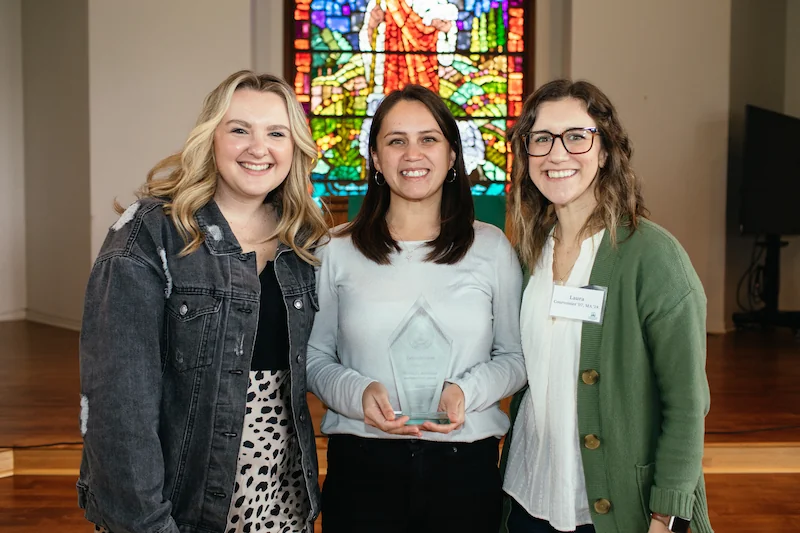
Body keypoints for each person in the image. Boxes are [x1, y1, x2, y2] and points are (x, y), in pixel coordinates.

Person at [77, 71, 329, 533]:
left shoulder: (303, 243)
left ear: (294, 148)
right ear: (209, 139)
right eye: (239, 130)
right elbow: (118, 407)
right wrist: (147, 522)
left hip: (280, 496)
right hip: (181, 500)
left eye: (276, 133)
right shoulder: (151, 233)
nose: (259, 148)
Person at [306, 84, 526, 533]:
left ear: (451, 157)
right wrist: (358, 393)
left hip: (465, 468)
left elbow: (516, 358)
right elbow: (312, 358)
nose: (413, 154)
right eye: (396, 140)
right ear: (375, 157)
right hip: (363, 466)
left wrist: (468, 391)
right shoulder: (336, 248)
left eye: (429, 139)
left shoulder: (491, 247)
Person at [499, 79, 714, 533]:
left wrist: (666, 515)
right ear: (526, 155)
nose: (557, 154)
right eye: (541, 139)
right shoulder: (527, 253)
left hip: (615, 510)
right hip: (526, 497)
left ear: (605, 150)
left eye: (576, 136)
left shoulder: (653, 257)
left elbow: (686, 404)